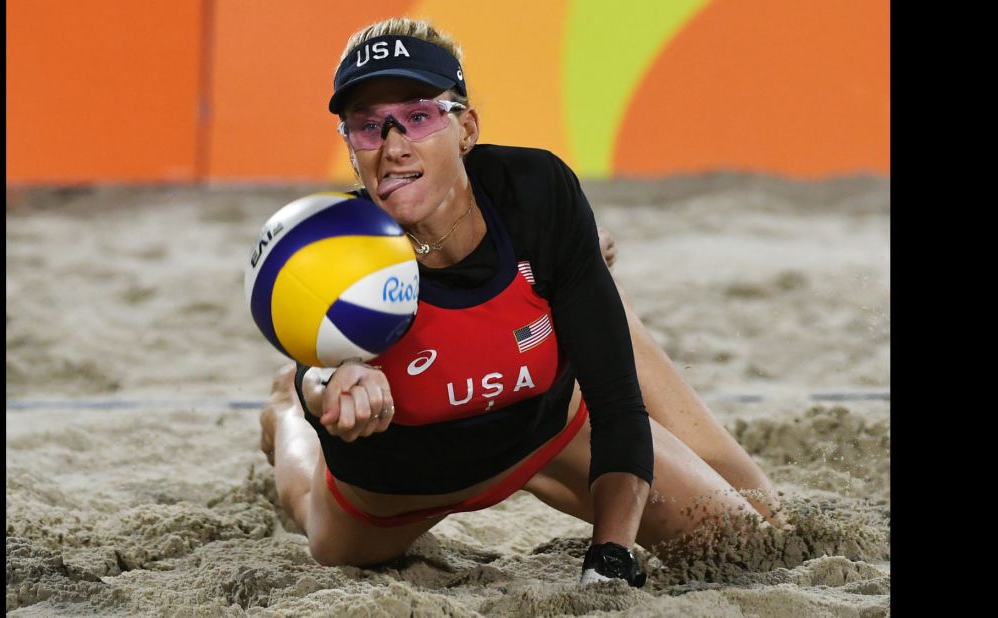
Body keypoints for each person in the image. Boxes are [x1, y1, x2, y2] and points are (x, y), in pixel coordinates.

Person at [258, 17, 787, 585]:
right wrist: (318, 391)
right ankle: (279, 409)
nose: (393, 146)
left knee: (756, 541)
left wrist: (610, 556)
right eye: (368, 127)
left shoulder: (535, 191)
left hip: (552, 431)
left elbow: (616, 405)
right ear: (351, 147)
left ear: (465, 128)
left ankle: (600, 303)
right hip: (401, 491)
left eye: (418, 116)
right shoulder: (337, 245)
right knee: (318, 526)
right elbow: (323, 372)